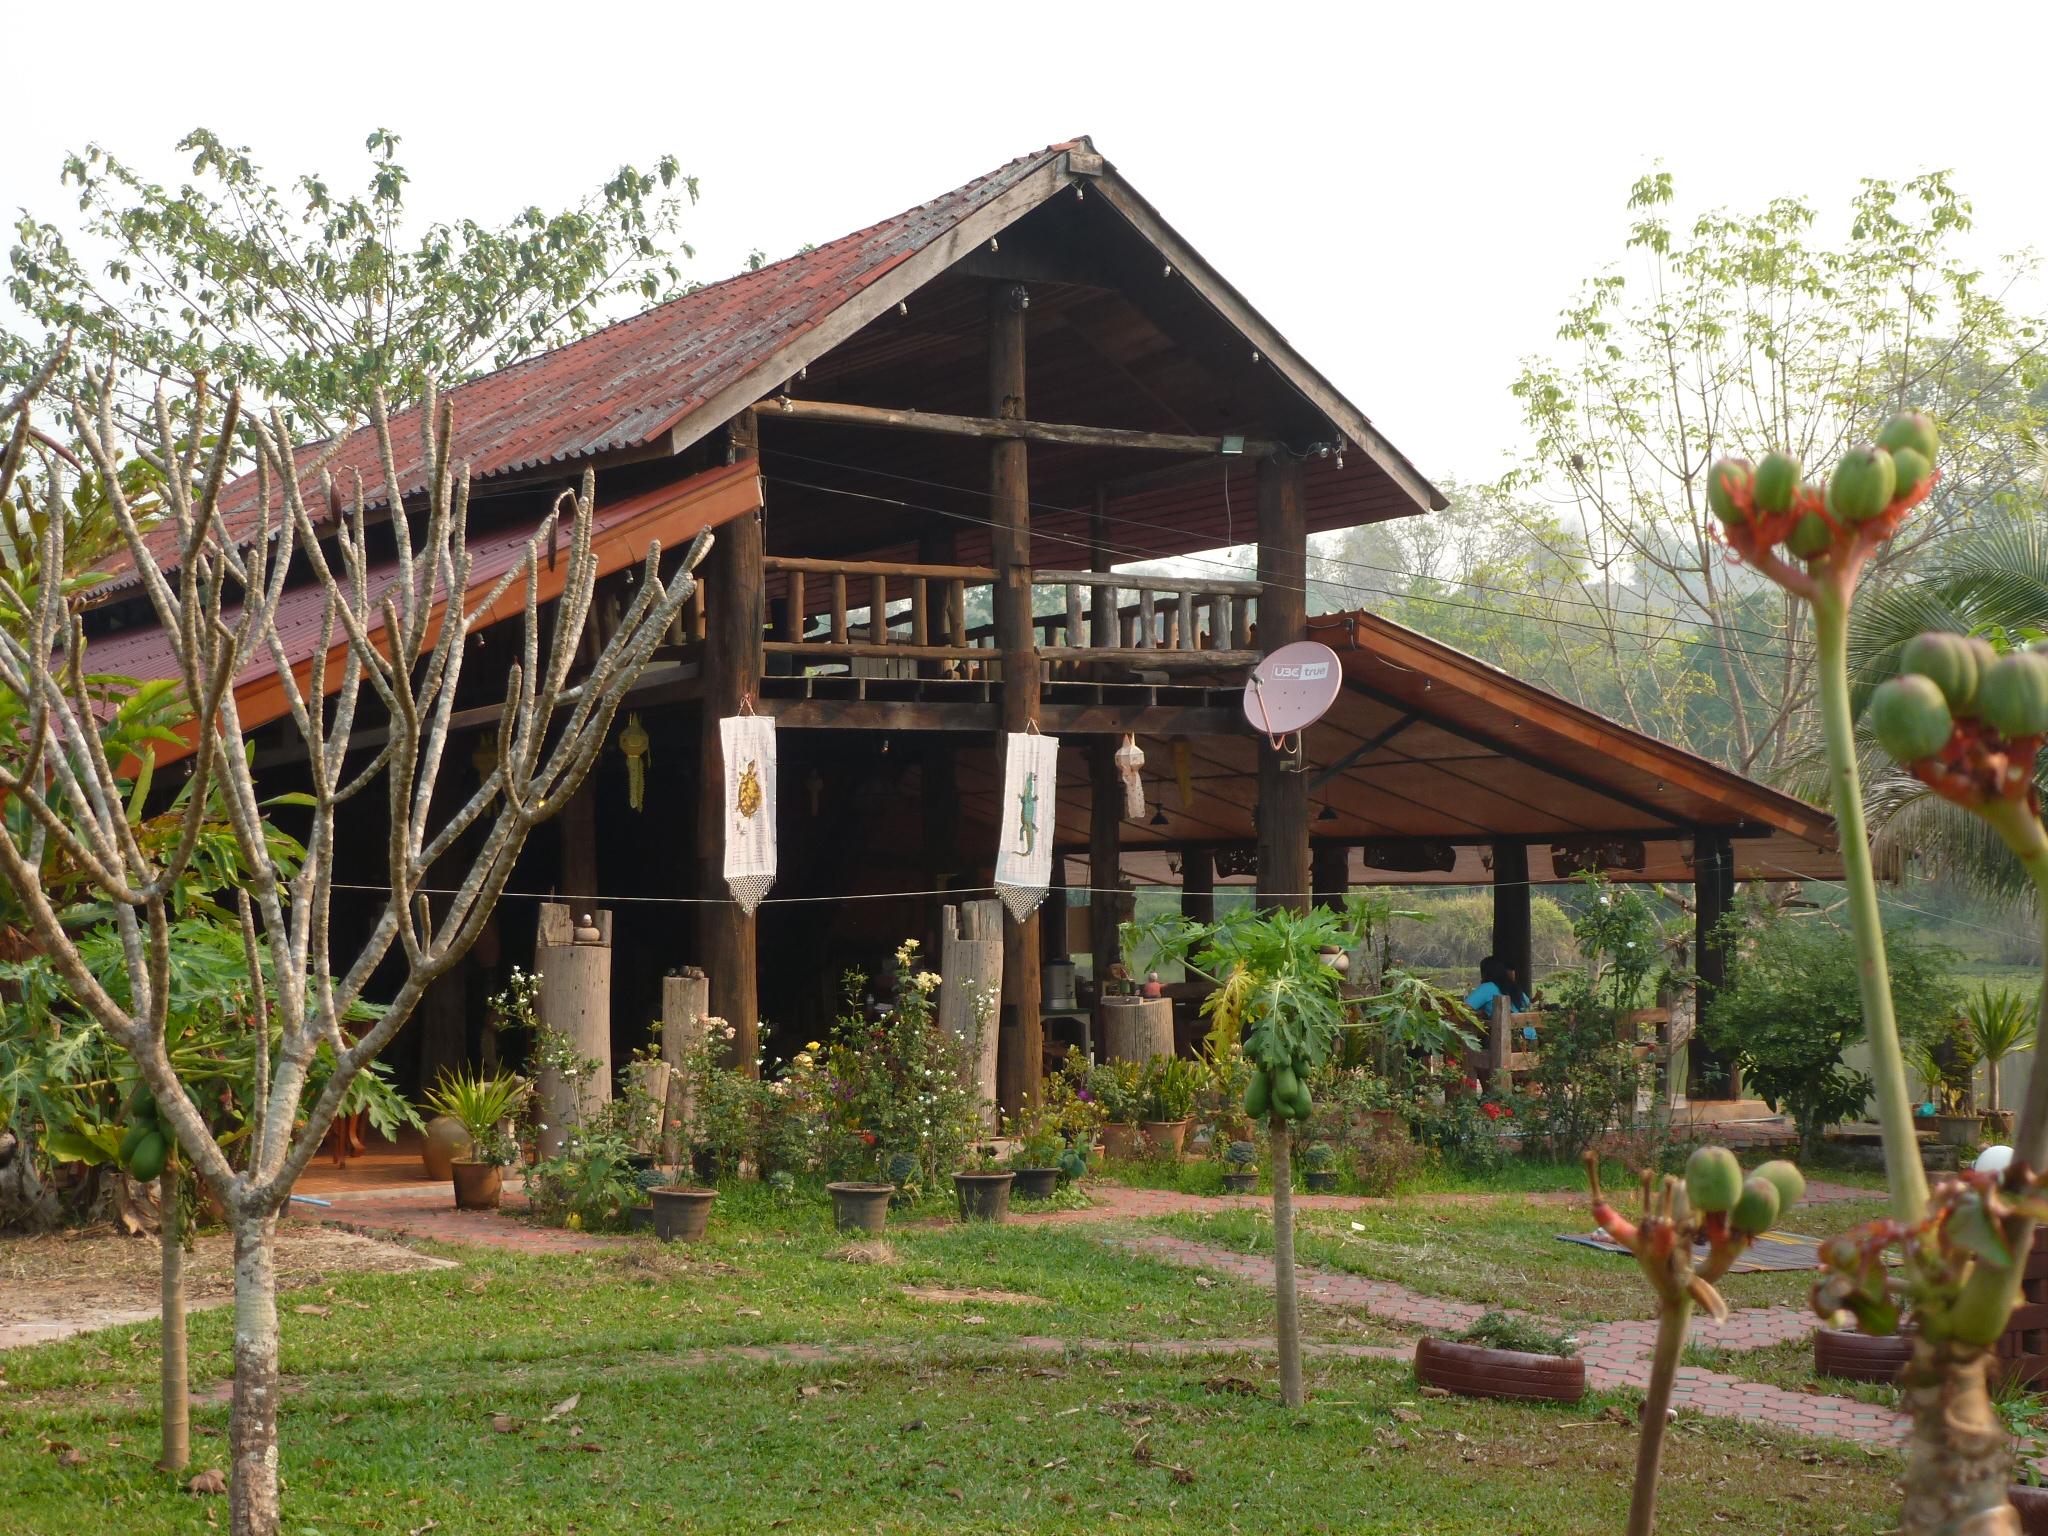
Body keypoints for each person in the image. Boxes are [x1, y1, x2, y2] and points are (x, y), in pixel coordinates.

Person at [1464, 955, 1532, 1017]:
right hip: (1528, 1029)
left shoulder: (1487, 987)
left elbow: (1462, 1011)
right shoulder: (1515, 989)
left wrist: (1479, 1013)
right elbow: (1528, 1006)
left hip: (1507, 1029)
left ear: (1485, 972)